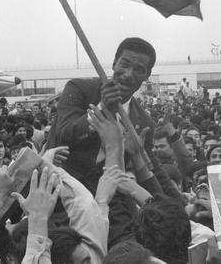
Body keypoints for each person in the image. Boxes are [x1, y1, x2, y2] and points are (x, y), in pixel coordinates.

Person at [47, 37, 157, 190]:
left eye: (138, 69)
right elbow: (62, 135)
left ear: (147, 75)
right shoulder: (79, 88)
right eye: (124, 65)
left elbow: (147, 169)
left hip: (113, 201)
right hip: (62, 190)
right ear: (114, 64)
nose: (128, 74)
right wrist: (102, 108)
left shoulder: (145, 122)